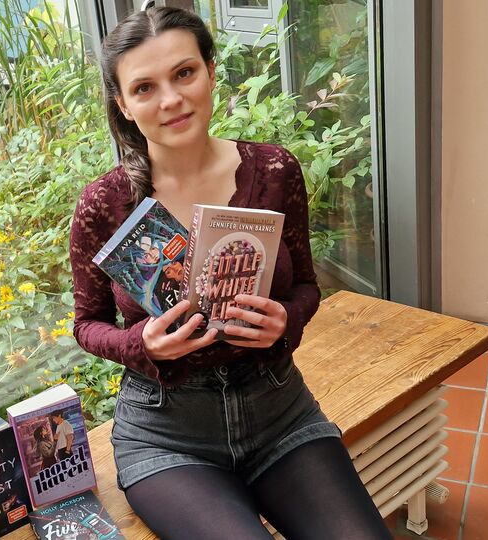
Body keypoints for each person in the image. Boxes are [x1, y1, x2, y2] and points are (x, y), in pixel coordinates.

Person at [68, 7, 392, 540]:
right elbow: (86, 324)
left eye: (184, 73)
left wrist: (285, 319)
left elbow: (306, 285)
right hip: (166, 433)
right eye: (144, 87)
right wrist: (140, 344)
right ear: (122, 104)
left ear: (211, 72)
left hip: (279, 410)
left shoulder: (273, 171)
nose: (171, 99)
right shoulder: (104, 205)